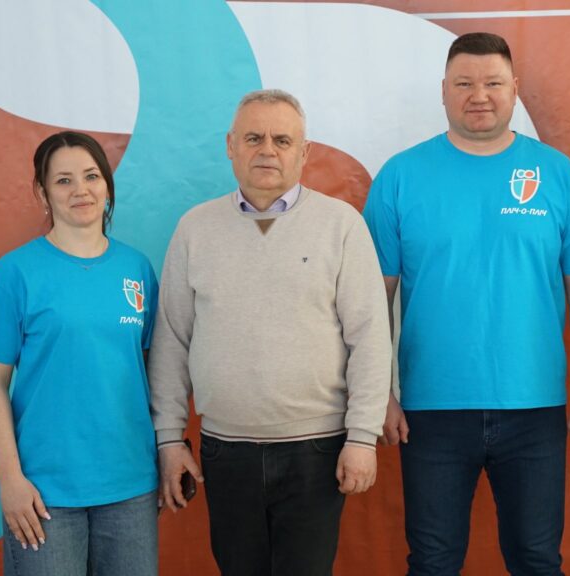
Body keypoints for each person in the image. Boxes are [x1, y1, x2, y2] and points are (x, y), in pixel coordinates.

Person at [363, 32, 570, 575]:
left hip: (534, 408)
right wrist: (378, 393)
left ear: (514, 89)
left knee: (537, 560)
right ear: (443, 91)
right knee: (432, 562)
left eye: (493, 83)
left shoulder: (556, 174)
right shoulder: (400, 177)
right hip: (431, 409)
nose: (479, 95)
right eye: (464, 84)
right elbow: (373, 299)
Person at [149, 88, 390, 575]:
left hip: (316, 450)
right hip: (225, 451)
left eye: (282, 140)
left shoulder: (341, 226)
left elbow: (369, 338)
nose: (267, 150)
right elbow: (171, 341)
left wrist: (363, 437)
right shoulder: (195, 229)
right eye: (253, 138)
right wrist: (169, 440)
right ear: (230, 145)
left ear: (304, 151)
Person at [0, 131, 160, 575]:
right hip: (43, 494)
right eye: (63, 180)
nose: (81, 190)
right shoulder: (15, 272)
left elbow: (153, 371)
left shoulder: (136, 269)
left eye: (91, 176)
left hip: (130, 487)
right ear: (42, 192)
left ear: (107, 185)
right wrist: (10, 479)